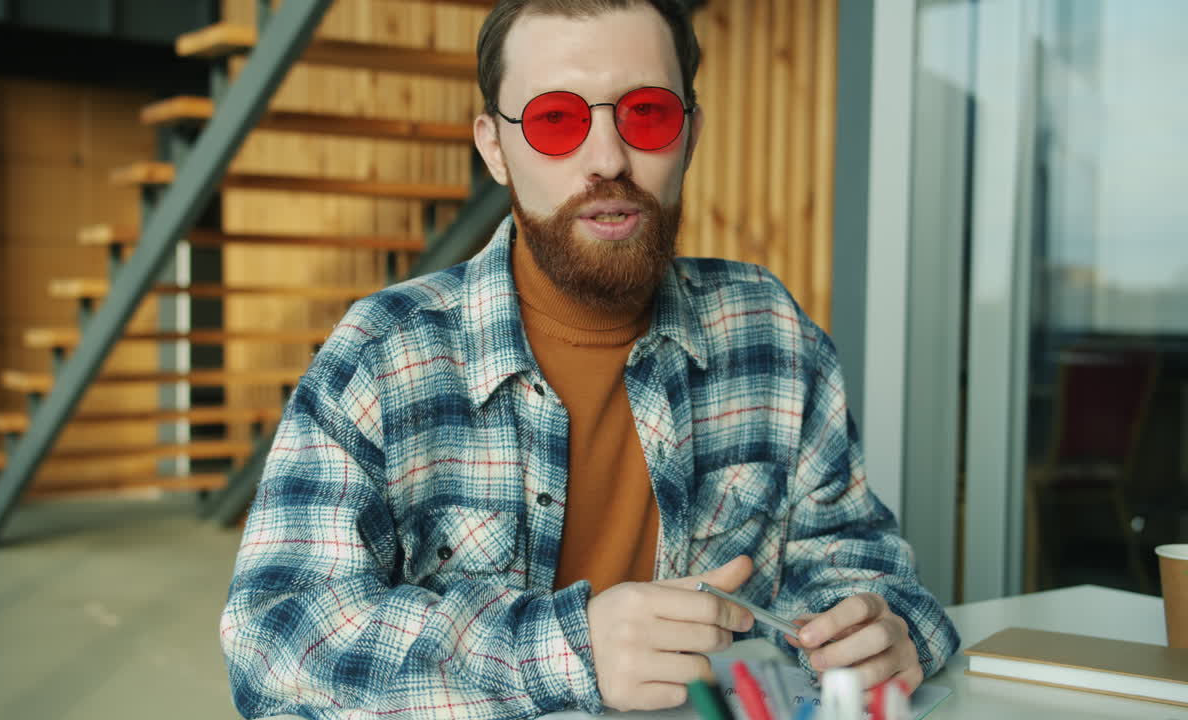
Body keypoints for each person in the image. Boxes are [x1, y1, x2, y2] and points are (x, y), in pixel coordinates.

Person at [219, 1, 960, 717]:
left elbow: (855, 559)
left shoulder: (769, 332)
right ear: (494, 148)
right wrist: (569, 649)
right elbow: (271, 641)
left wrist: (884, 630)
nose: (607, 158)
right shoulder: (381, 358)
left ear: (691, 135)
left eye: (647, 114)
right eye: (555, 121)